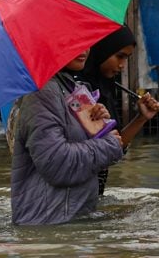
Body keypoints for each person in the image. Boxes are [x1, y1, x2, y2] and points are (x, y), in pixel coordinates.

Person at [10, 50, 125, 225]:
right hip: (48, 227)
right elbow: (57, 164)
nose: (83, 49)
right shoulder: (41, 93)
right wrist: (108, 145)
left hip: (72, 219)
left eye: (84, 42)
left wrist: (97, 125)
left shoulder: (69, 85)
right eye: (69, 43)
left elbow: (82, 143)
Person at [74, 24, 159, 195]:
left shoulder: (105, 87)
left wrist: (141, 118)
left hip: (92, 195)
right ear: (102, 50)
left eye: (126, 58)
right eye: (119, 56)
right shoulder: (76, 91)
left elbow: (114, 148)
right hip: (75, 197)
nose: (122, 65)